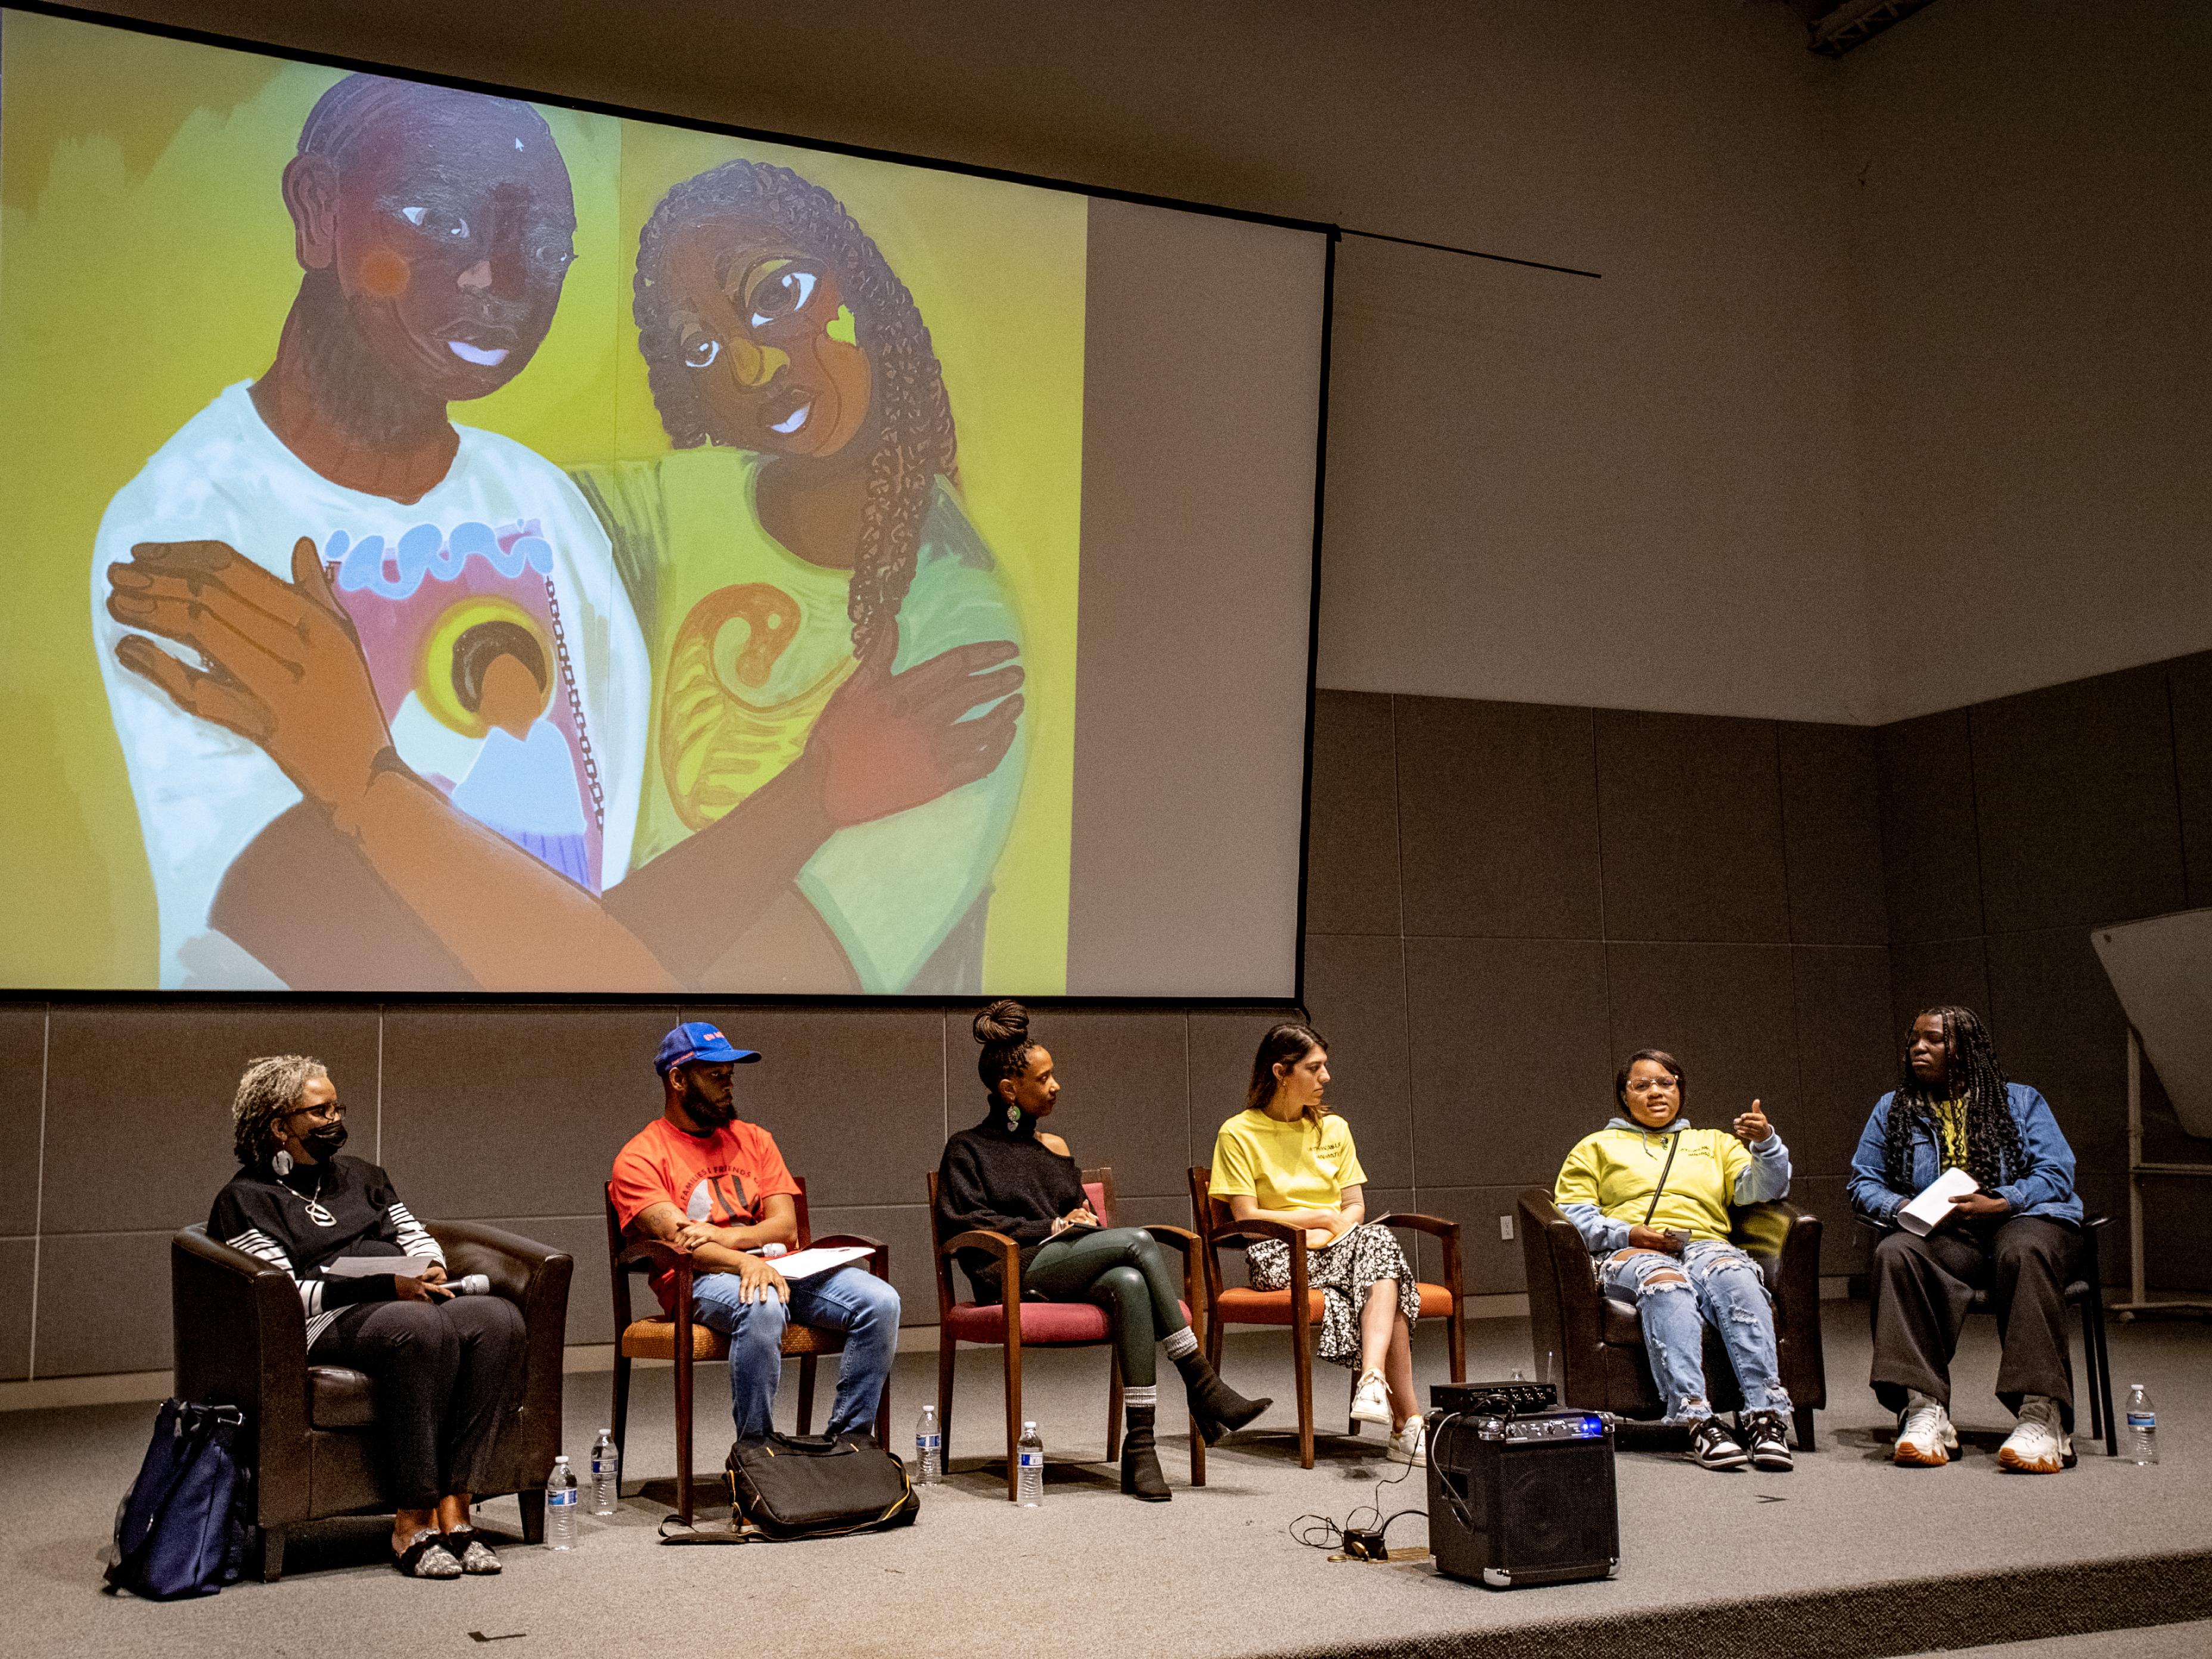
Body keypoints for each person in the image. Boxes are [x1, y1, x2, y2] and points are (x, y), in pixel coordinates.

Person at [94, 80, 1018, 997]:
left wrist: (364, 785)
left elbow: (597, 946)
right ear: (318, 210)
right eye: (439, 215)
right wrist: (810, 795)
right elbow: (441, 977)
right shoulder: (193, 532)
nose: (499, 276)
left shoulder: (548, 510)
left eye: (543, 246)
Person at [575, 157, 1027, 992]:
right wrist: (820, 788)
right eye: (702, 348)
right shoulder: (667, 510)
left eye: (777, 296)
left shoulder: (958, 634)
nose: (750, 368)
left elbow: (747, 983)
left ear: (864, 289)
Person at [934, 1002, 1269, 1500]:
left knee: (1130, 1282)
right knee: (1136, 1241)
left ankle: (1142, 1449)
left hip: (1065, 1263)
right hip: (1006, 1271)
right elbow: (966, 1224)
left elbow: (1073, 1209)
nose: (1056, 1086)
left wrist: (1081, 1219)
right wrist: (1049, 1224)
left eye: (1054, 1075)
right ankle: (1201, 1382)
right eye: (1044, 1079)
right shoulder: (967, 1149)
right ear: (1009, 1091)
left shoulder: (1057, 1146)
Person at [209, 1055, 526, 1579]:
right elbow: (288, 1293)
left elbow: (413, 1234)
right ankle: (411, 1522)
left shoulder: (363, 1176)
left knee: (497, 1321)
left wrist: (431, 1269)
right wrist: (387, 1287)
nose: (335, 1120)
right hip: (324, 1320)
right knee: (419, 1328)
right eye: (318, 1111)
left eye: (338, 1107)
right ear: (279, 1126)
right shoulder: (246, 1200)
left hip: (398, 1298)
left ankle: (457, 1509)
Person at [610, 1022, 900, 1444]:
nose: (729, 1087)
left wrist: (727, 1239)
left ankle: (850, 1443)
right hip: (699, 1282)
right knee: (761, 1303)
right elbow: (685, 1248)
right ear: (677, 1079)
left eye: (731, 1076)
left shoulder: (755, 1139)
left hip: (779, 1267)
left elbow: (785, 1226)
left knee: (880, 1301)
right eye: (716, 1077)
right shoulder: (639, 1158)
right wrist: (745, 1259)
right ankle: (756, 1452)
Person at [1847, 1006, 2083, 1474]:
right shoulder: (1893, 1109)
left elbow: (2056, 1172)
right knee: (1896, 1251)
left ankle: (2043, 1413)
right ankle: (1923, 1408)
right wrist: (1905, 1210)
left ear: (1966, 1049)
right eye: (1914, 1040)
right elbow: (1863, 1183)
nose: (1918, 1048)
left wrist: (2004, 1201)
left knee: (2024, 1249)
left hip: (2023, 1221)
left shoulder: (2020, 1101)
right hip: (1952, 1238)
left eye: (1934, 1040)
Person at [1552, 1049, 1796, 1472]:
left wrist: (1765, 1144)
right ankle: (1697, 1419)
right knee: (1667, 1285)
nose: (1656, 1092)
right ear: (1624, 1096)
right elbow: (1572, 1214)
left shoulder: (1714, 1143)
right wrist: (1627, 1232)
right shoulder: (1595, 1147)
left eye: (1666, 1083)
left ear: (1681, 1090)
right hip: (1629, 1249)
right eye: (1642, 1085)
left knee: (1736, 1277)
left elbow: (1766, 1189)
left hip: (1704, 1244)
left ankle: (1764, 1415)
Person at [1208, 1023, 1428, 1467]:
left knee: (1377, 1251)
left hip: (1341, 1248)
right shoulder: (1238, 1132)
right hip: (1277, 1253)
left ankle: (1379, 1388)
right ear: (1281, 1072)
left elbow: (1355, 1206)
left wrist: (1336, 1230)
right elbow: (1246, 1217)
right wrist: (1319, 1220)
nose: (1326, 1077)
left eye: (1325, 1066)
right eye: (1315, 1068)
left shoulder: (1335, 1128)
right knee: (1385, 1273)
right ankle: (1398, 1415)